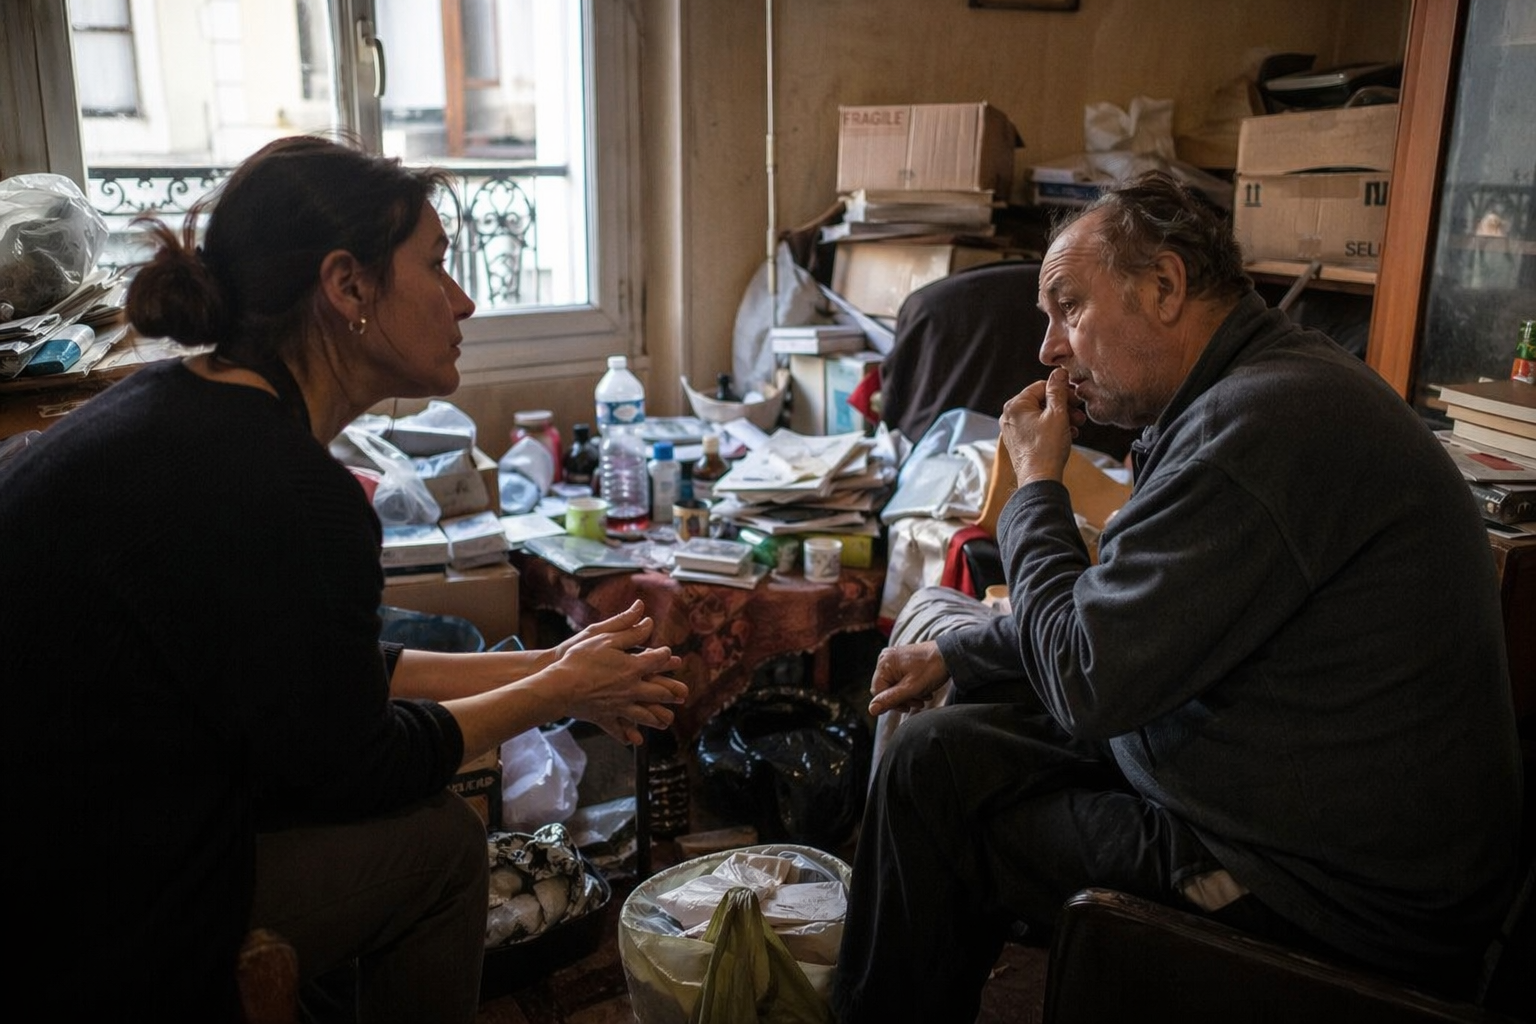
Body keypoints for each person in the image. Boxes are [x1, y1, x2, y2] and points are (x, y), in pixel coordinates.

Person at [0, 135, 687, 1023]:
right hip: (65, 905)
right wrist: (554, 685)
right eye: (438, 266)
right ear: (348, 287)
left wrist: (562, 674)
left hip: (65, 836)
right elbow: (355, 763)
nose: (464, 300)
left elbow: (329, 679)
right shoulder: (282, 484)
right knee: (440, 843)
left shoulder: (185, 410)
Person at [832, 171, 1523, 1022]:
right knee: (932, 756)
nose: (1049, 347)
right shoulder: (1240, 397)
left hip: (1321, 892)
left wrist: (1034, 489)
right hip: (1242, 784)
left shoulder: (1261, 428)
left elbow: (1089, 677)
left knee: (947, 819)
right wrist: (959, 647)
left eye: (1068, 308)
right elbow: (1126, 609)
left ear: (1165, 285)